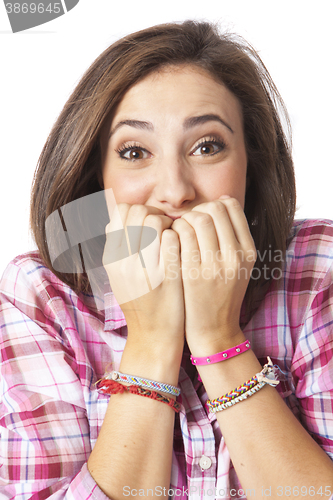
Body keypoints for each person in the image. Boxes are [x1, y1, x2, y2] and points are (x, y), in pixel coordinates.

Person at [0, 20, 332, 500]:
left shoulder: (319, 268)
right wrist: (152, 343)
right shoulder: (41, 295)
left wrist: (219, 340)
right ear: (99, 179)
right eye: (135, 151)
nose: (175, 191)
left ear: (251, 163)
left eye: (206, 146)